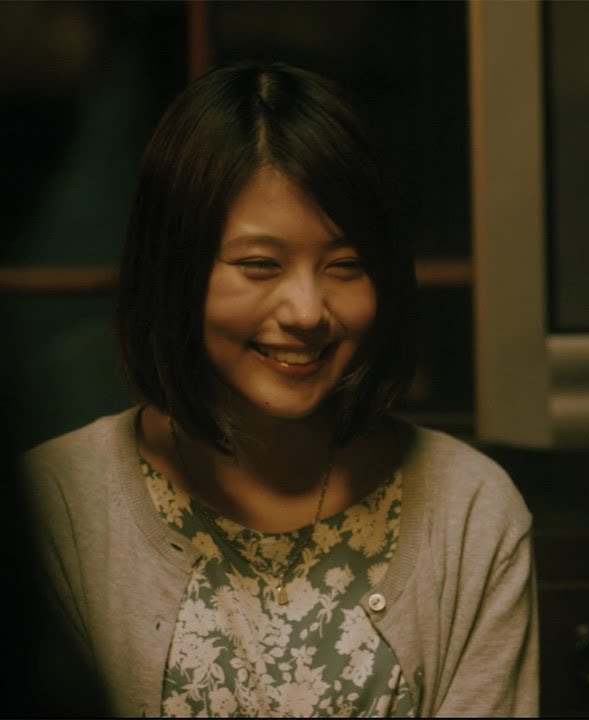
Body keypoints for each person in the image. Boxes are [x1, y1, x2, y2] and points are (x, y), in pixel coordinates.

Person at [21, 60, 538, 717]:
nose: (307, 311)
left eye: (345, 265)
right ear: (174, 270)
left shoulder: (469, 511)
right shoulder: (57, 506)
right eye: (260, 265)